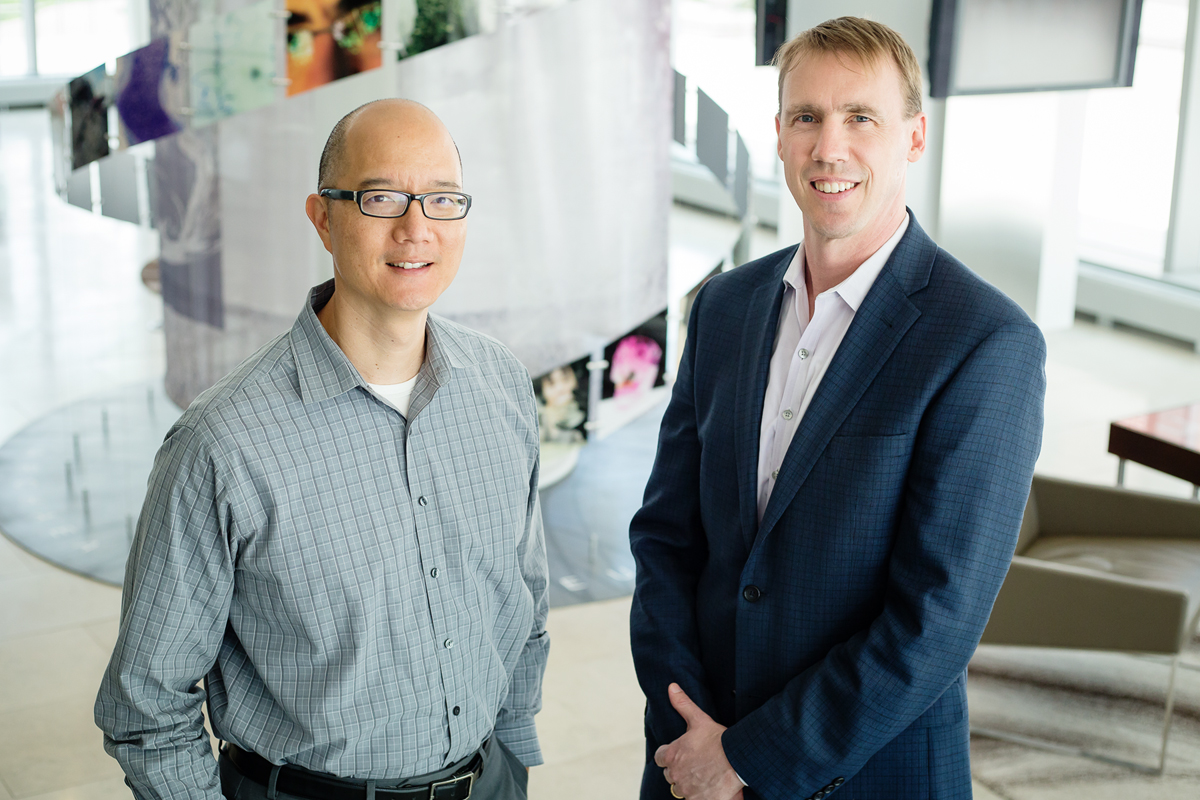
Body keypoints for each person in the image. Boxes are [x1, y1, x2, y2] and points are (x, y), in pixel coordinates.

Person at [629, 17, 1046, 800]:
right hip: (690, 762)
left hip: (862, 772)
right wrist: (689, 726)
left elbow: (934, 623)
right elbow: (665, 539)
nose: (830, 147)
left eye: (862, 117)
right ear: (781, 135)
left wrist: (747, 757)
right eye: (807, 117)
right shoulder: (724, 306)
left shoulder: (986, 343)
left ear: (914, 138)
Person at [96, 99, 548, 800]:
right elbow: (146, 706)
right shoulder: (223, 446)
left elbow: (525, 603)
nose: (416, 227)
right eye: (382, 196)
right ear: (323, 217)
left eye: (443, 200)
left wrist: (512, 757)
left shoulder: (503, 388)